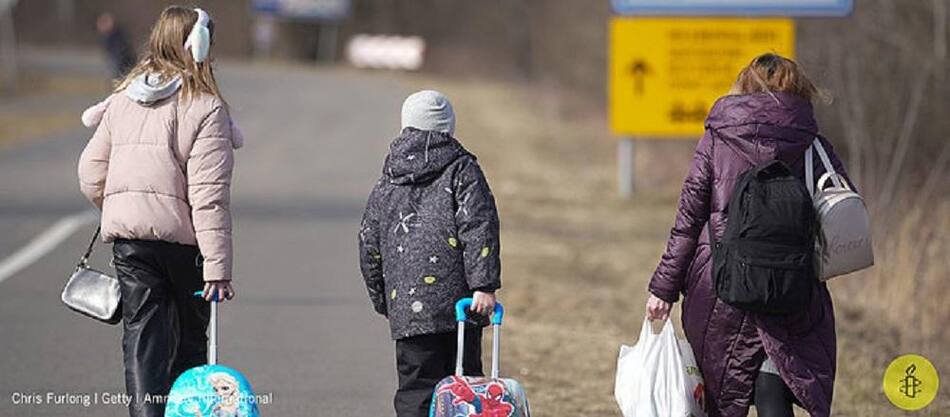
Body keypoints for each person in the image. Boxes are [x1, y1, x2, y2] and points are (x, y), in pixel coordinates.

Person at [645, 53, 849, 417]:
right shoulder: (813, 144)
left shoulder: (718, 138)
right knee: (775, 379)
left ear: (744, 87)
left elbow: (688, 219)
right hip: (791, 284)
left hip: (721, 286)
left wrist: (663, 288)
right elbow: (840, 211)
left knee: (724, 392)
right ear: (798, 88)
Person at [77, 6, 239, 417]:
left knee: (142, 337)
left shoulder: (122, 100)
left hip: (131, 245)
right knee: (187, 341)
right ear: (199, 46)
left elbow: (90, 172)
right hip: (183, 245)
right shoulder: (206, 108)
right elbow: (208, 196)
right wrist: (217, 268)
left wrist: (124, 205)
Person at [358, 90, 502, 417]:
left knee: (416, 390)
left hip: (408, 309)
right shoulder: (462, 170)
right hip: (460, 308)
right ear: (448, 127)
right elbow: (479, 224)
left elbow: (369, 243)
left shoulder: (387, 180)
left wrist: (382, 299)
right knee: (463, 388)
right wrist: (484, 285)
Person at [96, 12, 137, 78]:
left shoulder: (118, 35)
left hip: (123, 63)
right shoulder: (107, 37)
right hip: (117, 63)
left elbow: (123, 50)